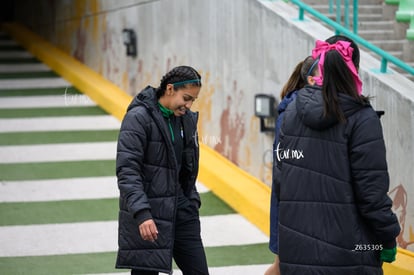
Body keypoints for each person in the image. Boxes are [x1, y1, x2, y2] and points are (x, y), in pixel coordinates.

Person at [275, 35, 401, 274]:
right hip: (349, 255)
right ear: (354, 68)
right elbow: (371, 193)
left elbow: (281, 181)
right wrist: (387, 237)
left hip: (296, 251)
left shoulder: (291, 111)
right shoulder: (362, 118)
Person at [115, 65, 209, 275]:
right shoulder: (138, 118)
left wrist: (191, 202)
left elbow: (187, 168)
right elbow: (127, 170)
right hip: (150, 215)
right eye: (186, 98)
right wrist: (142, 213)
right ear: (169, 89)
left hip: (182, 211)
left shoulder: (185, 120)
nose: (189, 105)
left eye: (193, 100)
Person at [265, 56, 320, 275]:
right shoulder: (293, 110)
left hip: (294, 199)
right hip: (291, 200)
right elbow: (284, 161)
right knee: (283, 265)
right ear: (310, 80)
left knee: (284, 265)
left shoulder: (302, 107)